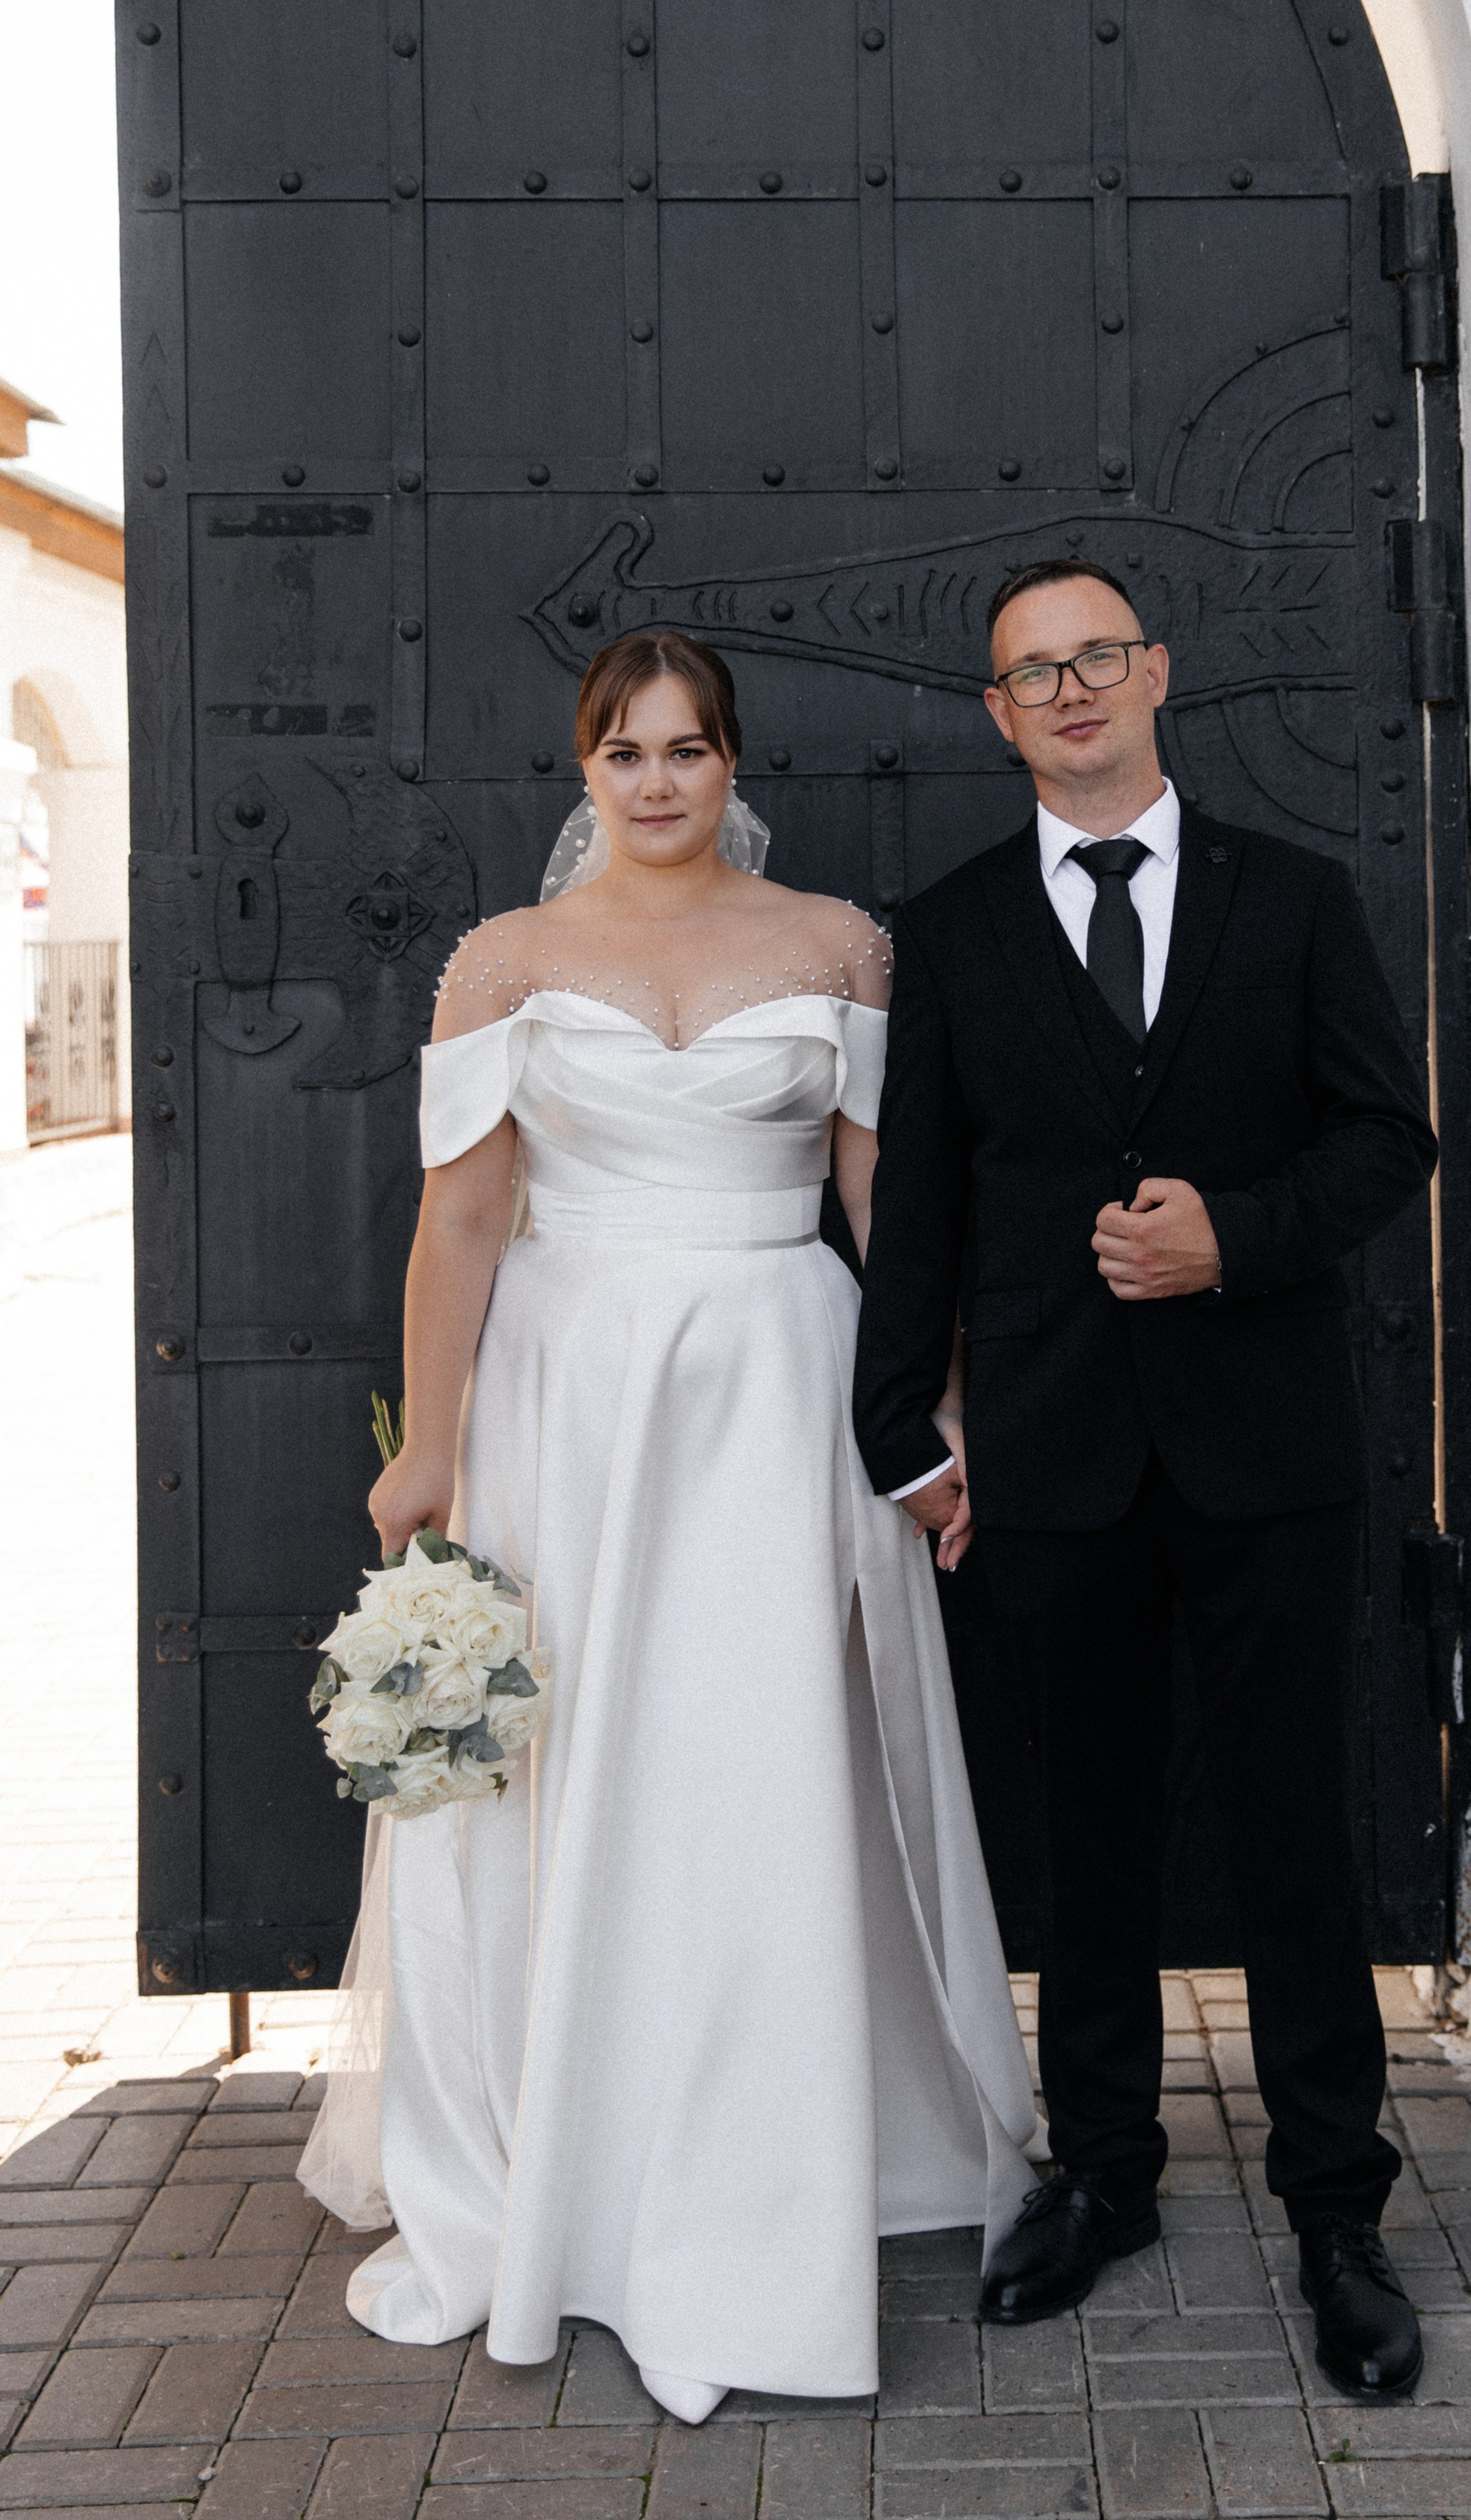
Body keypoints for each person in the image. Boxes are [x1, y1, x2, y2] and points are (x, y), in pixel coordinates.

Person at [298, 629, 1034, 2423]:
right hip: (570, 1400)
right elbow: (461, 1227)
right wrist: (431, 1454)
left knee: (755, 1750)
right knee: (585, 1757)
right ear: (582, 769)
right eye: (624, 753)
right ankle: (579, 2160)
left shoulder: (832, 946)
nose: (656, 783)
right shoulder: (507, 963)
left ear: (730, 767)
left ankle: (772, 2164)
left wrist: (929, 1412)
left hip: (776, 1382)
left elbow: (883, 1204)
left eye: (687, 751)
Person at [851, 562, 1440, 2399]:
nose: (1071, 688)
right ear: (997, 716)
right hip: (1051, 1458)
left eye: (1096, 655)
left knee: (1289, 1839)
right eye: (1033, 672)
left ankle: (1337, 2209)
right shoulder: (943, 934)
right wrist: (907, 1447)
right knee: (1082, 1839)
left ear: (1155, 673)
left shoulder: (1294, 899)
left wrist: (1235, 1238)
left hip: (1265, 1454)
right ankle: (1103, 2172)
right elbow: (917, 1211)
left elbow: (1384, 1137)